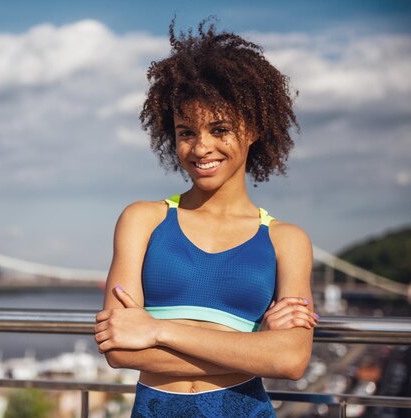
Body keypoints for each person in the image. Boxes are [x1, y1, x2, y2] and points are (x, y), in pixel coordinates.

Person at [94, 19, 318, 417]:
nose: (201, 148)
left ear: (253, 129)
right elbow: (119, 349)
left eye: (220, 129)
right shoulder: (142, 221)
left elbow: (292, 361)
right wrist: (258, 347)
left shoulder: (288, 240)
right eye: (186, 132)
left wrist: (158, 330)